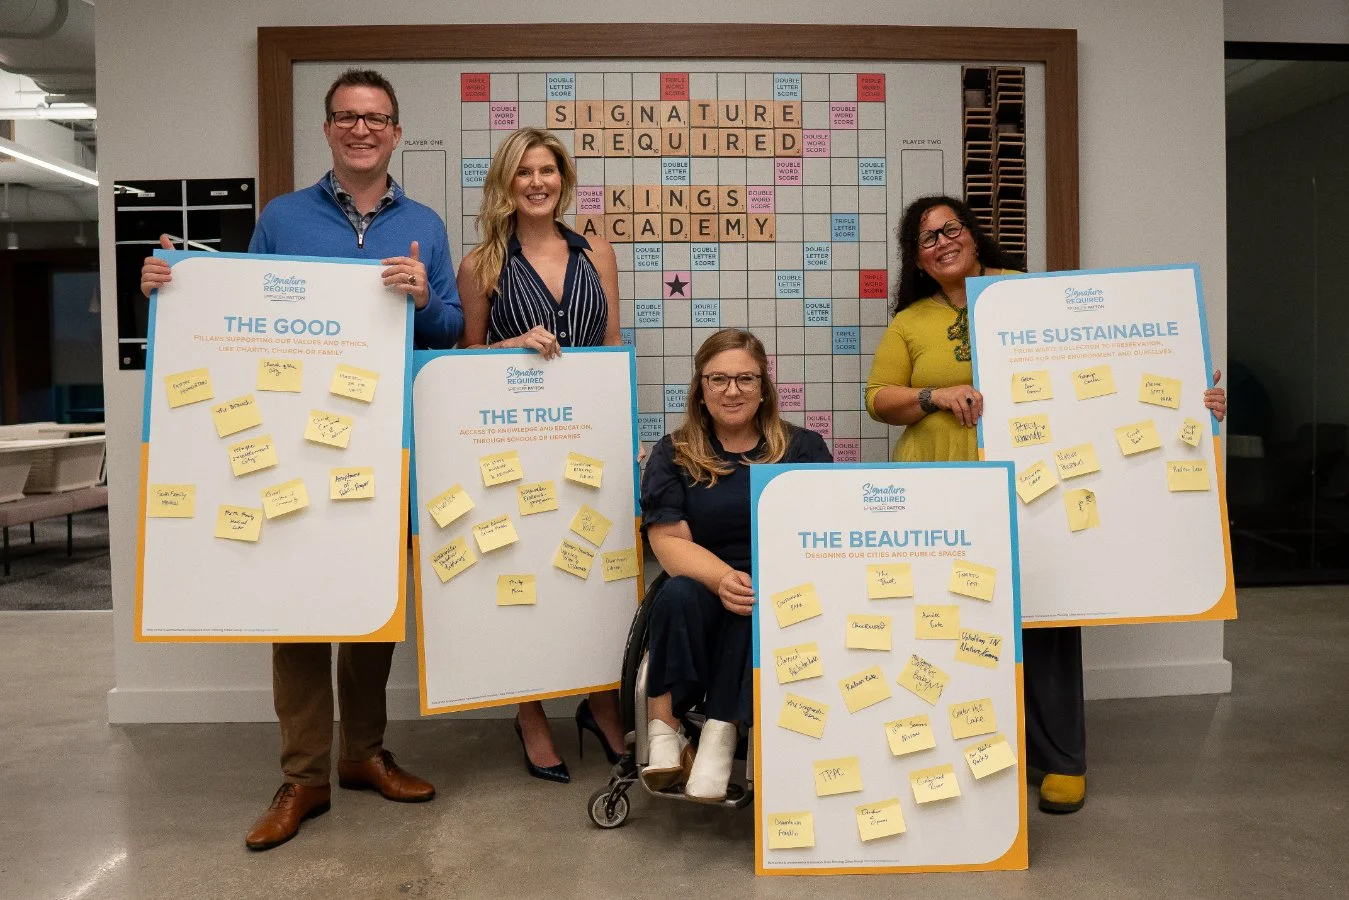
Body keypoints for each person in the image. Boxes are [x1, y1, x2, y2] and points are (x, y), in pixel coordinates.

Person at [140, 69, 463, 850]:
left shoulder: (423, 222)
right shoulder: (282, 217)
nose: (361, 129)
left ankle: (362, 755)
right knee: (294, 614)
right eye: (347, 117)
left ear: (394, 131)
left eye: (375, 118)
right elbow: (239, 311)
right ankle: (305, 775)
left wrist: (425, 297)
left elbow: (452, 329)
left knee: (370, 613)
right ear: (327, 129)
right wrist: (171, 287)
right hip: (288, 445)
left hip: (380, 446)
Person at [863, 194, 1227, 814]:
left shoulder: (1027, 294)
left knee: (1052, 612)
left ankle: (1060, 760)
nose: (942, 241)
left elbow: (1108, 361)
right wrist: (935, 395)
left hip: (1037, 477)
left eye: (951, 228)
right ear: (918, 262)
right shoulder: (909, 322)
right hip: (945, 481)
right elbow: (879, 398)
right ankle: (962, 752)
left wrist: (1192, 397)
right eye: (927, 239)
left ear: (975, 236)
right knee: (954, 617)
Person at [455, 127, 623, 783]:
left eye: (547, 170)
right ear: (505, 182)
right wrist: (508, 348)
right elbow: (462, 359)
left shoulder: (596, 253)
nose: (535, 182)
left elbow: (610, 345)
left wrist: (622, 432)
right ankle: (529, 710)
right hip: (514, 445)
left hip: (586, 437)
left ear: (563, 180)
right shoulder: (481, 265)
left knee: (593, 569)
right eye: (522, 171)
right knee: (522, 576)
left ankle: (600, 702)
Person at [640, 329, 832, 802]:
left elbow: (827, 530)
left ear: (764, 387)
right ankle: (665, 732)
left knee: (760, 594)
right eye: (719, 379)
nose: (732, 390)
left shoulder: (804, 448)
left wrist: (748, 583)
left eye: (745, 379)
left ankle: (719, 735)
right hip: (704, 581)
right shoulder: (673, 452)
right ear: (701, 388)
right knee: (679, 590)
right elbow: (667, 541)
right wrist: (722, 578)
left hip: (784, 587)